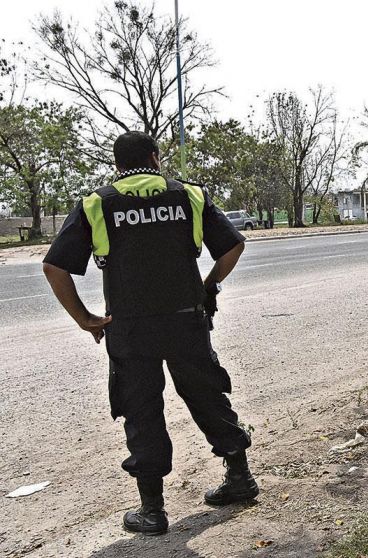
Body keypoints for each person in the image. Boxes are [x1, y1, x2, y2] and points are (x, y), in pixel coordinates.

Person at [42, 131, 258, 536]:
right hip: (186, 320)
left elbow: (54, 267)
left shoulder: (97, 204)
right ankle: (240, 477)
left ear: (117, 165)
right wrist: (208, 285)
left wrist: (85, 319)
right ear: (156, 159)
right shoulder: (189, 195)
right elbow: (232, 246)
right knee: (206, 393)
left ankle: (152, 510)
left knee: (141, 409)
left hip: (130, 327)